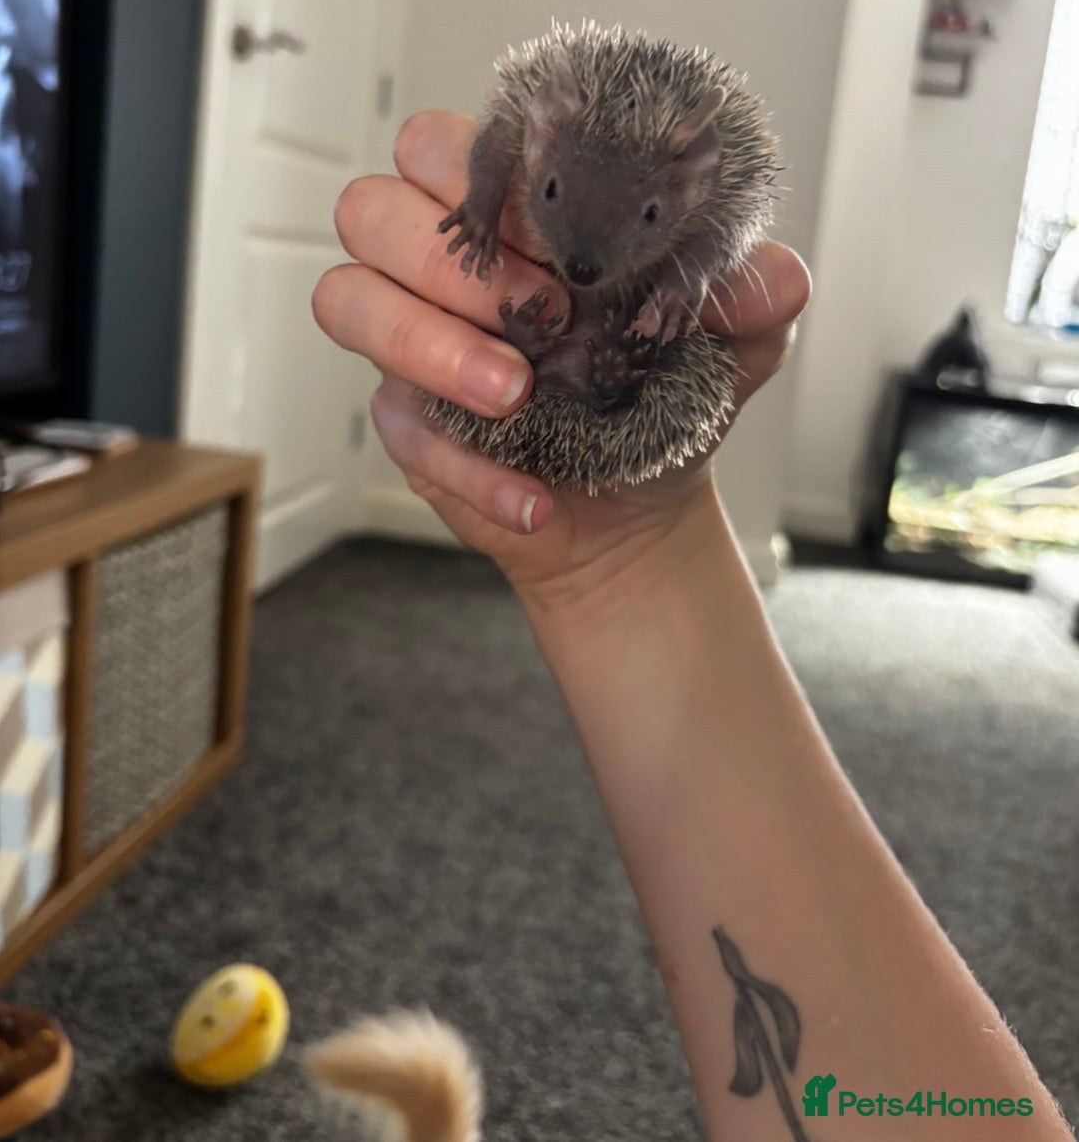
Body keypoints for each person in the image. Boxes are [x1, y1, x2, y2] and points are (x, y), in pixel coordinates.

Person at [312, 109, 1072, 1140]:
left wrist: (637, 549)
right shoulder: (535, 132)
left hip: (617, 377)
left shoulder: (697, 202)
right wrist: (490, 218)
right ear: (536, 147)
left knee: (622, 354)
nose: (582, 260)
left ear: (689, 180)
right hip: (568, 378)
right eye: (550, 194)